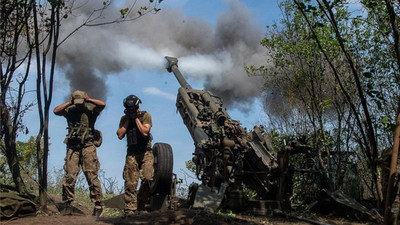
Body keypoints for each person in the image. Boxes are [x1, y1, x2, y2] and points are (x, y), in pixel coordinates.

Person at [53, 90, 105, 217]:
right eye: (76, 103)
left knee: (91, 175)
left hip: (88, 146)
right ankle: (68, 205)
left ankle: (98, 206)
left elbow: (102, 105)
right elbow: (56, 111)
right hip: (73, 147)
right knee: (69, 176)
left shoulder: (90, 110)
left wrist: (89, 99)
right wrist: (69, 103)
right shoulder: (70, 111)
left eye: (80, 102)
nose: (79, 105)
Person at [116, 95, 154, 217]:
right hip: (132, 153)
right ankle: (130, 210)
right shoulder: (124, 118)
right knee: (130, 182)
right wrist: (128, 119)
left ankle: (141, 204)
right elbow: (120, 134)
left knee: (148, 178)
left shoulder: (145, 116)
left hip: (146, 153)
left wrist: (136, 118)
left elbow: (144, 132)